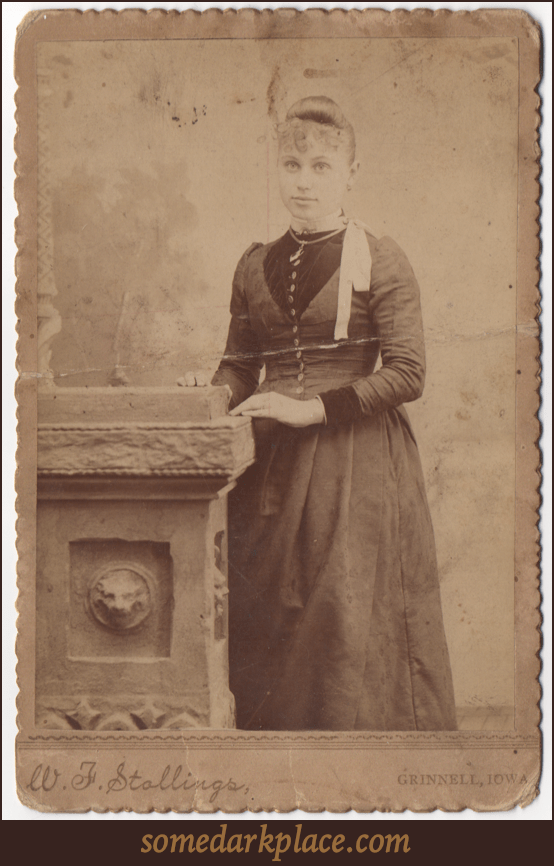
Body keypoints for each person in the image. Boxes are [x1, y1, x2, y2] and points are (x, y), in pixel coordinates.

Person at [207, 95, 457, 731]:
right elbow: (239, 363)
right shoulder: (253, 261)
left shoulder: (381, 256)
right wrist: (211, 400)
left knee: (345, 618)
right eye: (292, 165)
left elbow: (408, 372)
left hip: (356, 460)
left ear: (350, 173)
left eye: (321, 166)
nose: (304, 181)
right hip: (269, 465)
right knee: (269, 615)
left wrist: (310, 410)